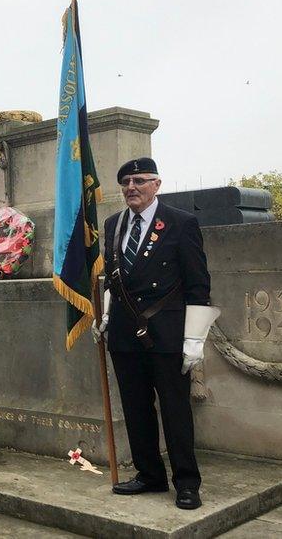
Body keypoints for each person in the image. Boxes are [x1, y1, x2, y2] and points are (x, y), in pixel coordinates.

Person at [94, 157, 217, 511]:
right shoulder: (113, 223)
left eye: (140, 181)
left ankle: (187, 483)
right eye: (126, 182)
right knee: (135, 408)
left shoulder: (181, 223)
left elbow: (198, 285)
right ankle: (149, 474)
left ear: (157, 184)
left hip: (166, 332)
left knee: (175, 410)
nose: (132, 187)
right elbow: (114, 277)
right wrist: (105, 312)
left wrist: (195, 339)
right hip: (123, 331)